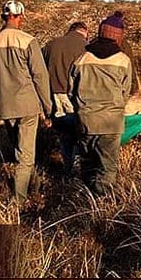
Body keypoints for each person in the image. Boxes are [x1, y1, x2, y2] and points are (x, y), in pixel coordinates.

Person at [0, 0, 53, 208]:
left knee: (20, 149)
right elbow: (40, 76)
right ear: (19, 16)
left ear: (3, 16)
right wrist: (48, 107)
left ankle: (36, 184)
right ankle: (19, 201)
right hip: (27, 105)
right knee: (25, 155)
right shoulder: (28, 40)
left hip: (4, 105)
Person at [68, 13, 133, 195]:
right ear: (118, 36)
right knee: (107, 167)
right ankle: (101, 202)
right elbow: (125, 92)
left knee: (87, 163)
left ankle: (85, 196)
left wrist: (82, 109)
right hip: (111, 123)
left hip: (85, 121)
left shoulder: (82, 59)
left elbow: (70, 91)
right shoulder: (123, 60)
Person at [42, 22, 89, 176]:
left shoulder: (50, 44)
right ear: (85, 32)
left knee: (63, 134)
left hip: (52, 95)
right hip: (74, 96)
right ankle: (76, 170)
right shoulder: (86, 47)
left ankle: (67, 167)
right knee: (79, 132)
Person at [97, 11, 141, 95]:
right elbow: (130, 71)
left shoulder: (90, 47)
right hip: (116, 97)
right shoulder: (124, 46)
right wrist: (134, 90)